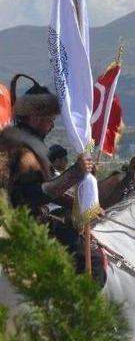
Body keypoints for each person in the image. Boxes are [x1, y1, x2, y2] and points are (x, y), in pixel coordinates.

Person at [0, 75, 95, 272]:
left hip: (24, 218)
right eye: (50, 120)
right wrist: (76, 171)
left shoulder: (25, 143)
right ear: (35, 118)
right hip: (19, 224)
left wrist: (83, 204)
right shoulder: (23, 150)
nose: (52, 126)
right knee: (88, 260)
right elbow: (36, 193)